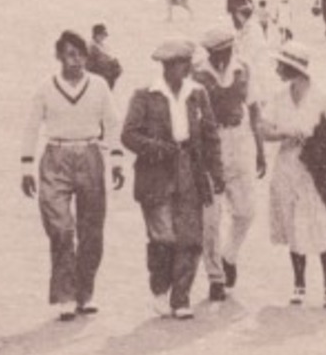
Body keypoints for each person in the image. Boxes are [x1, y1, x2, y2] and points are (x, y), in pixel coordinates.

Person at [19, 31, 127, 321]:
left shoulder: (99, 85)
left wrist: (116, 159)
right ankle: (64, 295)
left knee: (91, 231)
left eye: (80, 54)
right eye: (69, 54)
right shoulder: (45, 88)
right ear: (59, 57)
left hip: (90, 155)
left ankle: (85, 292)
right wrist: (26, 166)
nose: (76, 60)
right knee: (61, 229)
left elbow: (113, 124)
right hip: (56, 156)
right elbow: (31, 126)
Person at [122, 39, 223, 319]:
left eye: (187, 64)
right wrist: (156, 148)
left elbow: (211, 136)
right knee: (163, 236)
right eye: (180, 65)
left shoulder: (198, 93)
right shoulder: (145, 95)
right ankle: (159, 289)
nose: (186, 70)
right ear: (167, 67)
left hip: (190, 169)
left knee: (190, 237)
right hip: (156, 173)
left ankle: (181, 297)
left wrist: (217, 173)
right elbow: (128, 134)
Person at [257, 41, 326, 308]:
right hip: (288, 167)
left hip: (316, 169)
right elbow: (263, 129)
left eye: (280, 66)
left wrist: (325, 147)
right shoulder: (279, 96)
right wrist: (284, 133)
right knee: (294, 223)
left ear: (293, 68)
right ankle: (299, 284)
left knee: (323, 223)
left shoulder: (321, 96)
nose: (276, 69)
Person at [194, 27, 267, 302]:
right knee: (210, 218)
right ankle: (215, 276)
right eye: (217, 53)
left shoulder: (243, 69)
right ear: (211, 53)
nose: (222, 58)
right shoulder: (197, 74)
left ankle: (229, 255)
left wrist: (260, 149)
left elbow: (255, 110)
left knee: (247, 211)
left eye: (226, 51)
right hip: (211, 144)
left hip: (240, 140)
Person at [86, 23, 123, 90]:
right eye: (101, 35)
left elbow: (111, 60)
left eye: (104, 35)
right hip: (97, 81)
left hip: (108, 80)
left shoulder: (105, 47)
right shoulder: (91, 48)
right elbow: (89, 68)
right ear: (96, 35)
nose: (103, 37)